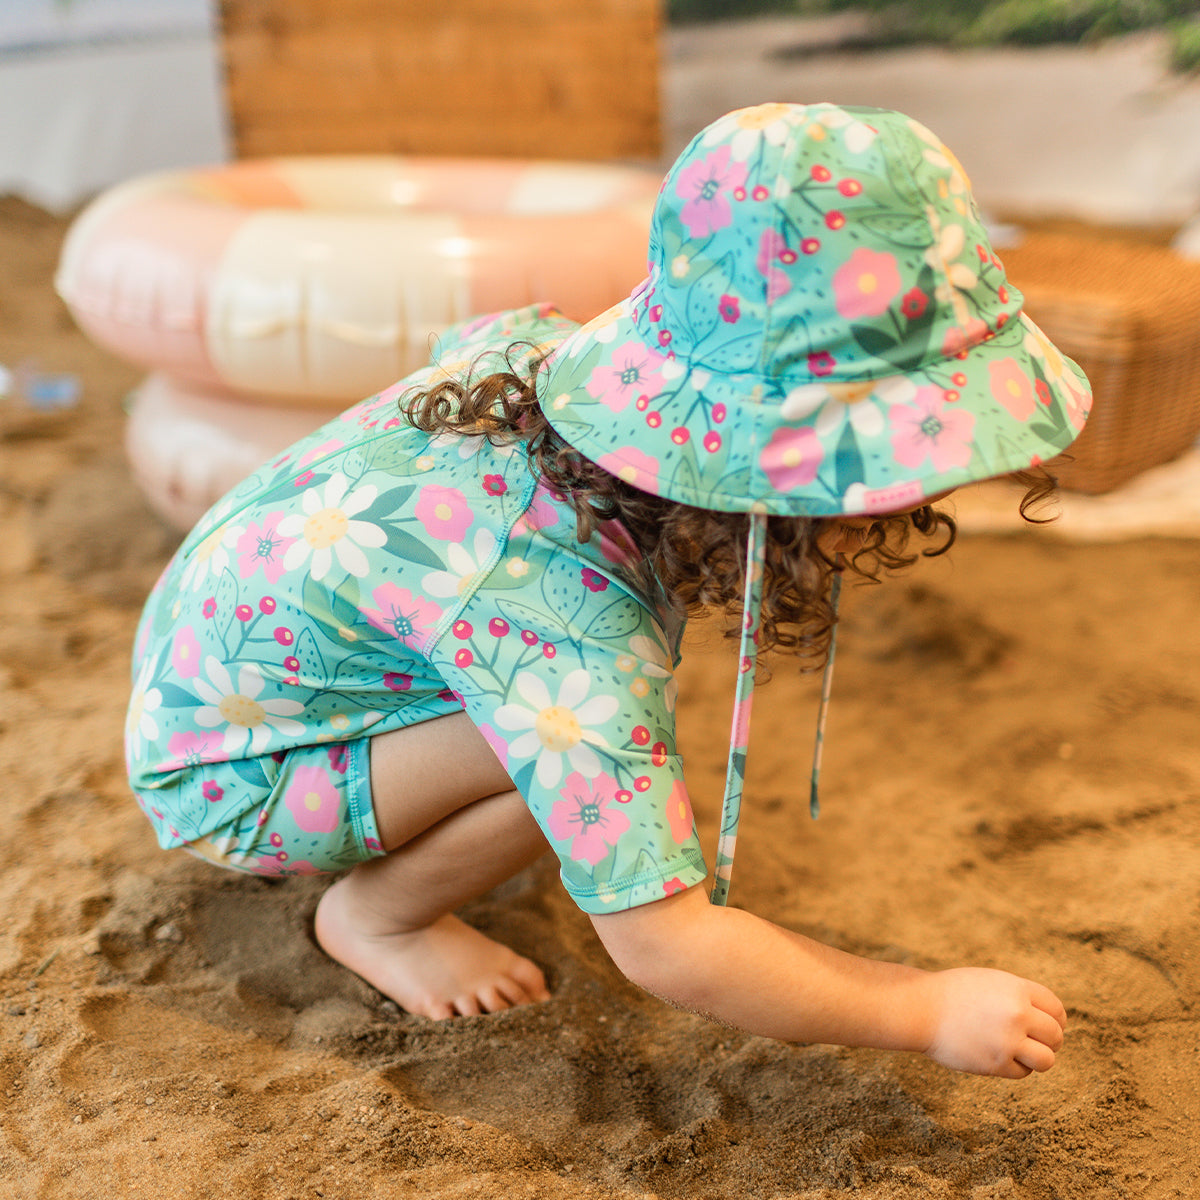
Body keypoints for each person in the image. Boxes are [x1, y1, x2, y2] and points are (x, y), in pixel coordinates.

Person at [126, 102, 1091, 1079]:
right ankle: (378, 920)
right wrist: (921, 1010)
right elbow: (671, 948)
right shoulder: (573, 634)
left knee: (555, 725)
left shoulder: (544, 359)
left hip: (209, 637)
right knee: (546, 743)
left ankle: (439, 785)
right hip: (232, 767)